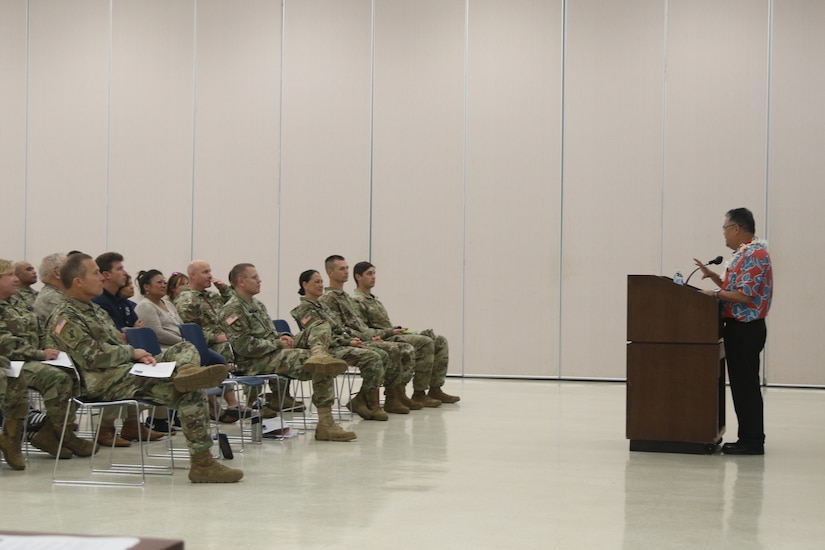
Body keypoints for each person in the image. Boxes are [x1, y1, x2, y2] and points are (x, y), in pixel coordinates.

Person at [46, 253, 242, 482]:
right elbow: (91, 357)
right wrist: (132, 353)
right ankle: (202, 463)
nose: (101, 278)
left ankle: (187, 371)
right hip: (103, 380)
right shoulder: (65, 316)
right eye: (95, 273)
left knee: (185, 347)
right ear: (78, 281)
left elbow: (116, 343)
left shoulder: (94, 310)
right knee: (189, 391)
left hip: (126, 369)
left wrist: (138, 356)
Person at [220, 263, 356, 441]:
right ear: (241, 281)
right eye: (254, 277)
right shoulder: (232, 310)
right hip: (254, 362)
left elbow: (268, 334)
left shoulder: (256, 304)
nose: (259, 280)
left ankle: (318, 353)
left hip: (272, 351)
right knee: (321, 365)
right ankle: (325, 423)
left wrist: (282, 336)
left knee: (318, 325)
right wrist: (277, 343)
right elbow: (245, 347)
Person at [0, 259, 96, 469]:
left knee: (71, 372)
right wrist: (39, 353)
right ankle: (14, 439)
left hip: (31, 358)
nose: (15, 279)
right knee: (55, 378)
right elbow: (4, 343)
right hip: (12, 361)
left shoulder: (16, 302)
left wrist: (49, 349)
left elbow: (40, 328)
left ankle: (56, 433)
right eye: (9, 276)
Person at [693, 208, 772, 456]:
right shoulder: (744, 254)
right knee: (741, 385)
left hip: (746, 329)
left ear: (736, 229)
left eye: (725, 229)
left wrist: (714, 294)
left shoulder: (755, 255)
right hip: (738, 328)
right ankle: (747, 437)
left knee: (746, 386)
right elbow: (734, 289)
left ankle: (752, 441)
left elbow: (744, 296)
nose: (724, 235)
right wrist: (715, 278)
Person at [352, 261, 460, 406]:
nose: (374, 277)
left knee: (439, 340)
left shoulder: (373, 299)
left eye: (374, 273)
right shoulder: (356, 300)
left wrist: (397, 329)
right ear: (358, 277)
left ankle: (435, 388)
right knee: (424, 342)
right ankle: (419, 393)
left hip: (391, 333)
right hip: (383, 338)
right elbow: (364, 330)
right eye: (369, 274)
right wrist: (391, 331)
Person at [321, 255, 418, 414]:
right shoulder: (329, 299)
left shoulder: (345, 297)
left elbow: (359, 325)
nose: (346, 272)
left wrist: (372, 336)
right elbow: (338, 328)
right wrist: (362, 338)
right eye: (341, 269)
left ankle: (382, 397)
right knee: (390, 351)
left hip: (360, 338)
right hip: (344, 343)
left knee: (400, 348)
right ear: (330, 272)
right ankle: (370, 399)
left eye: (347, 268)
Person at [293, 269, 388, 420]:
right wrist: (347, 342)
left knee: (381, 353)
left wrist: (359, 339)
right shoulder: (303, 311)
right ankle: (370, 403)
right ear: (305, 285)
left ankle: (363, 399)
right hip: (326, 350)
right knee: (373, 357)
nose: (321, 285)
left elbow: (341, 329)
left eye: (322, 282)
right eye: (316, 282)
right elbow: (318, 336)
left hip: (340, 344)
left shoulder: (322, 307)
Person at [175, 260, 262, 420]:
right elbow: (189, 331)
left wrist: (223, 289)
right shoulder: (186, 300)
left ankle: (251, 401)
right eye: (205, 272)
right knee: (225, 349)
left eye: (210, 271)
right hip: (205, 346)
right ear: (192, 275)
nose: (210, 276)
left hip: (226, 340)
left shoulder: (212, 296)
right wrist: (216, 337)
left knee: (253, 345)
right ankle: (232, 404)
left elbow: (236, 303)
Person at [90, 252, 159, 447]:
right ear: (106, 275)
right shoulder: (99, 301)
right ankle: (105, 429)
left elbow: (130, 329)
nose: (125, 273)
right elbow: (114, 335)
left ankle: (132, 424)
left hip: (124, 350)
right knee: (125, 370)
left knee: (145, 365)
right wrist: (128, 334)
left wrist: (128, 334)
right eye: (119, 269)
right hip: (105, 359)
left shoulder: (119, 301)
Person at [33, 253, 67, 324]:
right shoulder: (51, 298)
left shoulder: (57, 293)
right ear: (57, 273)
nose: (76, 272)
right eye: (70, 268)